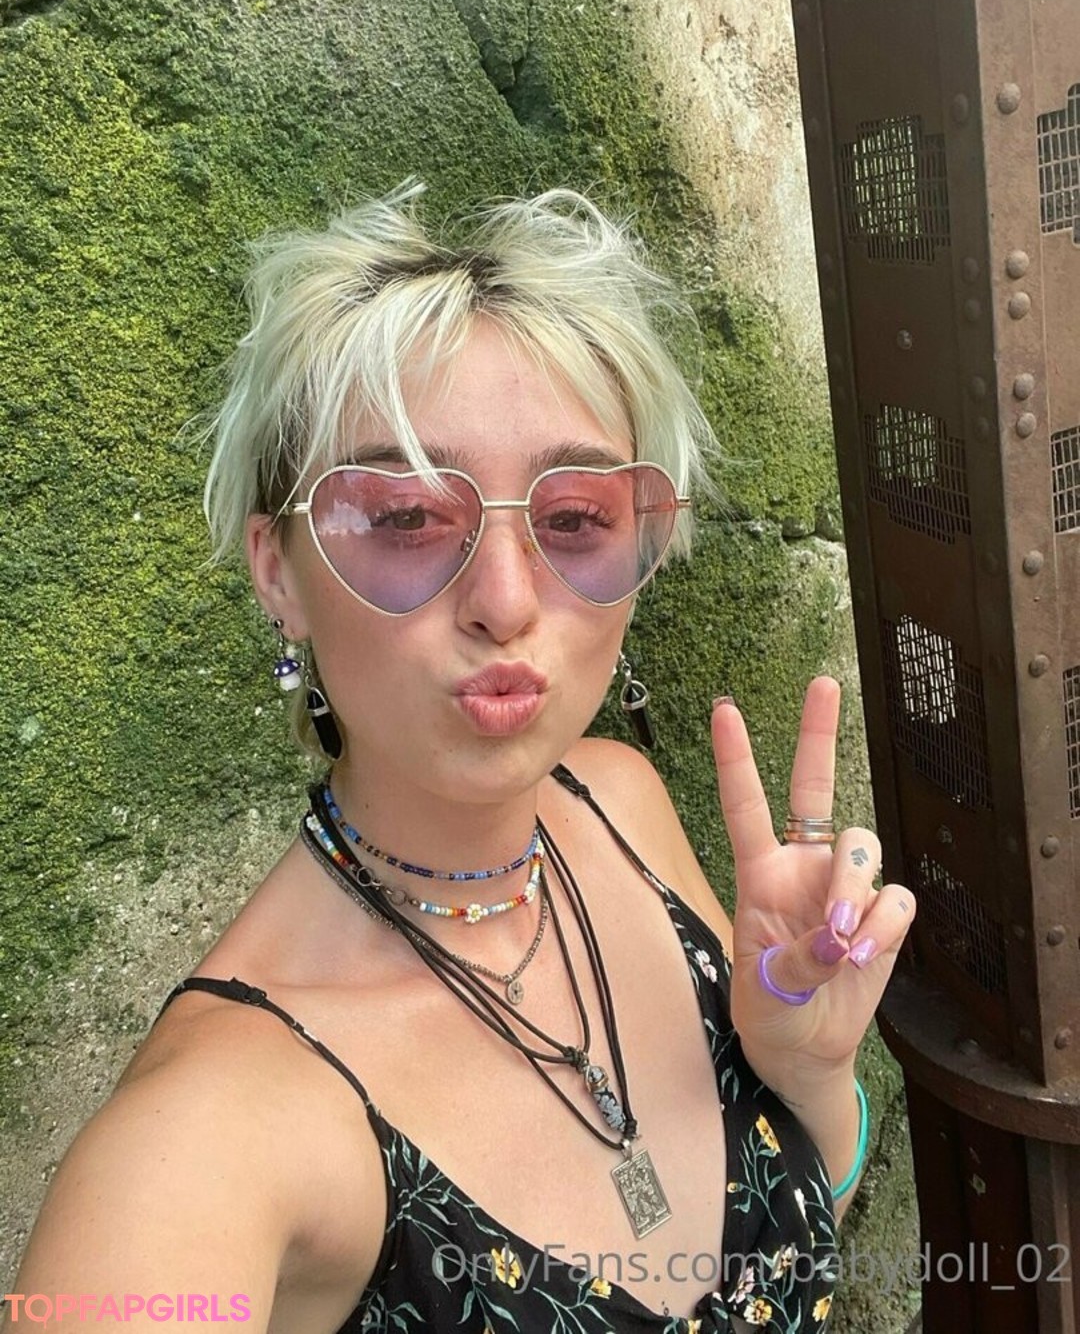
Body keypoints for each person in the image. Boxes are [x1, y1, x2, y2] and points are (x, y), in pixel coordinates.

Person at [11, 184, 914, 1333]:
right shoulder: (207, 1137)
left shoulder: (621, 806)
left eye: (575, 517)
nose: (505, 599)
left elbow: (789, 1243)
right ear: (278, 571)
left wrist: (808, 1074)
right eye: (403, 516)